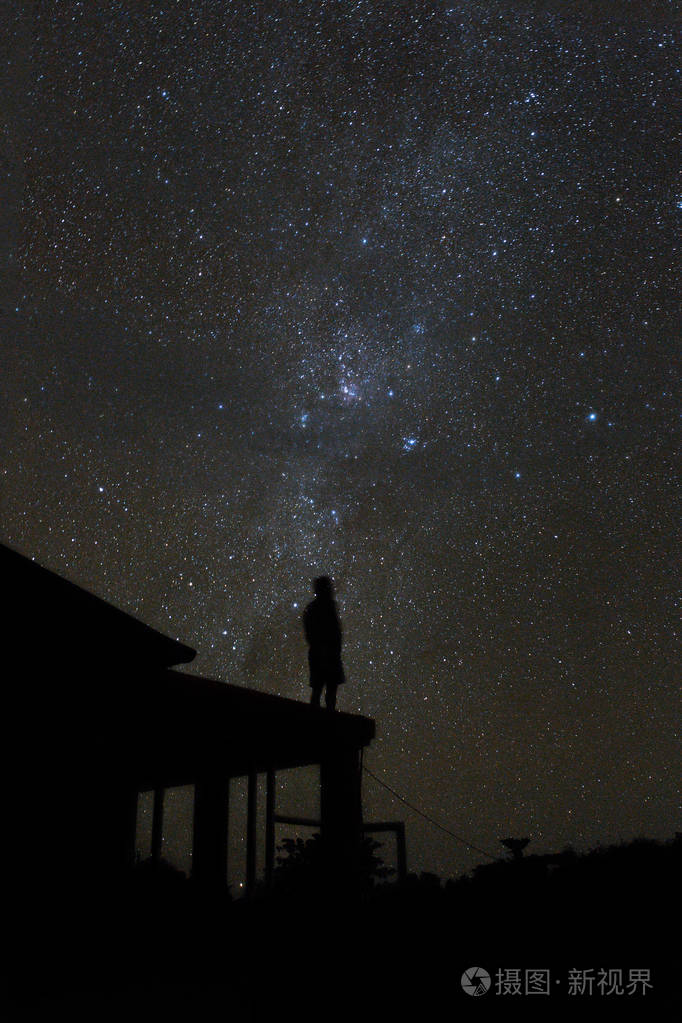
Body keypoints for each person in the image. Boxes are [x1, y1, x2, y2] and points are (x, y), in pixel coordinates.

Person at [303, 575, 345, 711]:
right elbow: (335, 633)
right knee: (326, 693)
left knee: (319, 691)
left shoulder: (312, 609)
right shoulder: (327, 608)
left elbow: (310, 635)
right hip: (326, 655)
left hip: (321, 655)